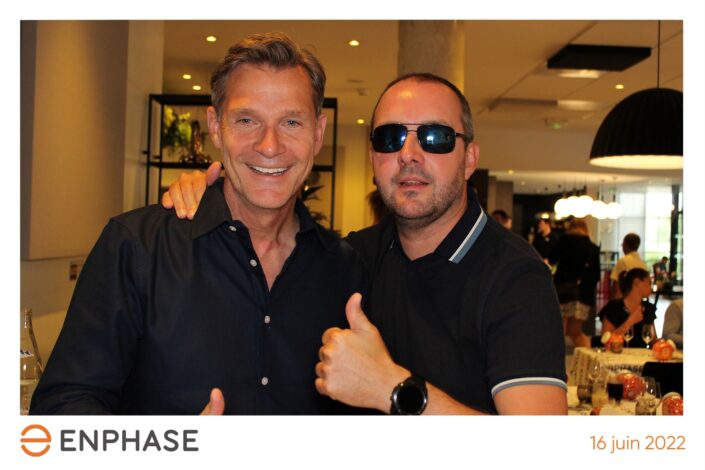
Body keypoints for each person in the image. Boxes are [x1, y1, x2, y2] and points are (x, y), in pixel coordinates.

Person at [164, 73, 568, 415]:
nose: (409, 155)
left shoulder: (515, 278)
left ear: (470, 159)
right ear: (373, 157)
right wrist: (218, 196)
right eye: (391, 138)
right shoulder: (353, 258)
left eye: (435, 137)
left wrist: (392, 389)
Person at [30, 33, 366, 415]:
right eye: (246, 120)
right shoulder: (137, 249)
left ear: (318, 133)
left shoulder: (345, 270)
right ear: (215, 126)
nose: (270, 145)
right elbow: (61, 409)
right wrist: (174, 443)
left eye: (291, 121)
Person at [548, 218, 601, 348]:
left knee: (558, 332)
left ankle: (557, 358)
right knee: (575, 332)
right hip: (583, 294)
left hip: (561, 291)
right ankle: (587, 356)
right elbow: (596, 275)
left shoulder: (563, 242)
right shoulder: (592, 248)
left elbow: (550, 260)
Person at [598, 268, 657, 348]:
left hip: (641, 354)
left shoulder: (648, 308)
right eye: (649, 283)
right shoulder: (614, 307)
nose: (651, 287)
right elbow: (605, 340)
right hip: (617, 353)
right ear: (637, 282)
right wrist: (630, 321)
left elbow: (652, 340)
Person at [610, 233, 647, 299]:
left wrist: (613, 301)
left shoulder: (623, 261)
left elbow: (616, 284)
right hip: (638, 299)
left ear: (625, 245)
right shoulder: (643, 264)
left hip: (624, 299)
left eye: (623, 244)